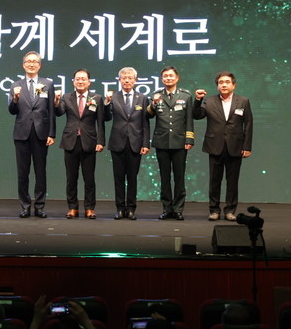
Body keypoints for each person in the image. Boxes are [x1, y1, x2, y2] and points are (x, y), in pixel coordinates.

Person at [193, 71, 253, 221]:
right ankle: (214, 210)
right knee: (214, 181)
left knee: (232, 182)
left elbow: (248, 125)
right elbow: (197, 115)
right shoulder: (209, 101)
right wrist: (198, 100)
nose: (224, 85)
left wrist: (247, 146)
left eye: (227, 82)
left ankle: (230, 210)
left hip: (235, 146)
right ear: (217, 86)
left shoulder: (243, 101)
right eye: (221, 82)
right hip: (215, 145)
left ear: (234, 85)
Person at [8, 51, 56, 218]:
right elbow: (12, 110)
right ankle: (25, 206)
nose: (31, 64)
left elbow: (51, 110)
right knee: (23, 173)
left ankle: (40, 206)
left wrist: (52, 133)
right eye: (28, 61)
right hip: (22, 133)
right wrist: (15, 99)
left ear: (39, 65)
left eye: (35, 61)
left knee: (40, 172)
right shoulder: (15, 85)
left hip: (41, 133)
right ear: (23, 65)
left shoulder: (47, 84)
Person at [55, 68, 105, 219]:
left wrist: (101, 141)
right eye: (77, 79)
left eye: (83, 79)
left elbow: (100, 122)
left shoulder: (97, 98)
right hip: (71, 140)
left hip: (89, 141)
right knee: (71, 178)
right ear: (73, 82)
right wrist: (56, 101)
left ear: (89, 82)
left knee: (89, 178)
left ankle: (89, 208)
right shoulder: (66, 97)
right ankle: (72, 207)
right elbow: (59, 112)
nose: (80, 81)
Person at [146, 66, 194, 221]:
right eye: (165, 76)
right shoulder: (156, 95)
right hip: (162, 141)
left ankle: (178, 209)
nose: (168, 78)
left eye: (171, 76)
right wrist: (153, 104)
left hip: (180, 141)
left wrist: (189, 139)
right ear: (162, 79)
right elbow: (149, 115)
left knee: (179, 177)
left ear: (177, 78)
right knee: (164, 178)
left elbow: (189, 119)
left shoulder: (186, 96)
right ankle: (167, 208)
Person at [104, 67, 150, 220]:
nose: (127, 80)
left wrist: (145, 143)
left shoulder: (142, 98)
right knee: (118, 178)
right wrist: (106, 103)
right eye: (124, 78)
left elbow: (145, 123)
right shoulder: (114, 97)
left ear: (135, 80)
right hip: (117, 143)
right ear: (119, 80)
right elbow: (106, 117)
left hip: (135, 143)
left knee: (132, 178)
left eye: (130, 78)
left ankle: (131, 208)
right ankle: (119, 208)